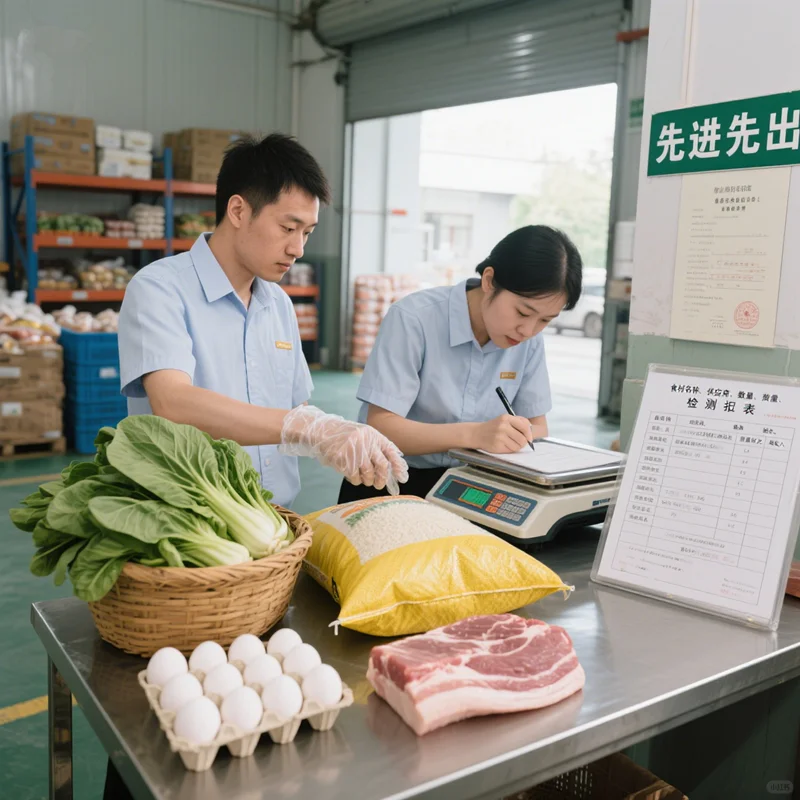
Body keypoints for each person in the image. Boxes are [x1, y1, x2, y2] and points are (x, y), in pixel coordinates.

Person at [104, 133, 407, 798]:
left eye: (308, 229)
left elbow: (292, 401)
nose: (299, 246)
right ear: (238, 210)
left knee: (259, 727)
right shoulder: (159, 290)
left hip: (269, 546)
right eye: (288, 226)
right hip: (188, 549)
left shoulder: (275, 302)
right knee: (165, 723)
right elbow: (174, 402)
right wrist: (302, 424)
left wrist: (329, 427)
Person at [338, 225, 583, 504]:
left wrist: (511, 435)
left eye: (544, 320)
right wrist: (476, 434)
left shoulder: (528, 342)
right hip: (390, 483)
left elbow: (538, 426)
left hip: (475, 484)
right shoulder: (414, 319)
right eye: (523, 312)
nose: (528, 330)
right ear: (490, 280)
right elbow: (382, 427)